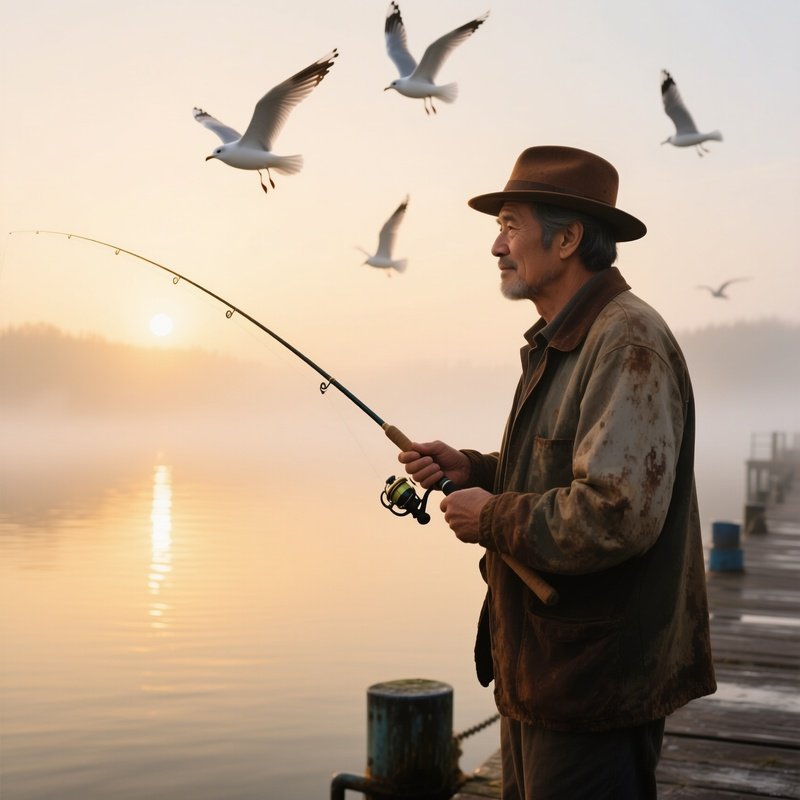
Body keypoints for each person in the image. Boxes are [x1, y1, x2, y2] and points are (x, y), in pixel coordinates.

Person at [398, 146, 716, 799]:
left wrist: (488, 514)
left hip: (594, 684)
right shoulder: (564, 340)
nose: (495, 246)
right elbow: (566, 470)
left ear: (568, 238)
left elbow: (614, 514)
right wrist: (475, 468)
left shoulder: (625, 340)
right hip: (544, 674)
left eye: (511, 225)